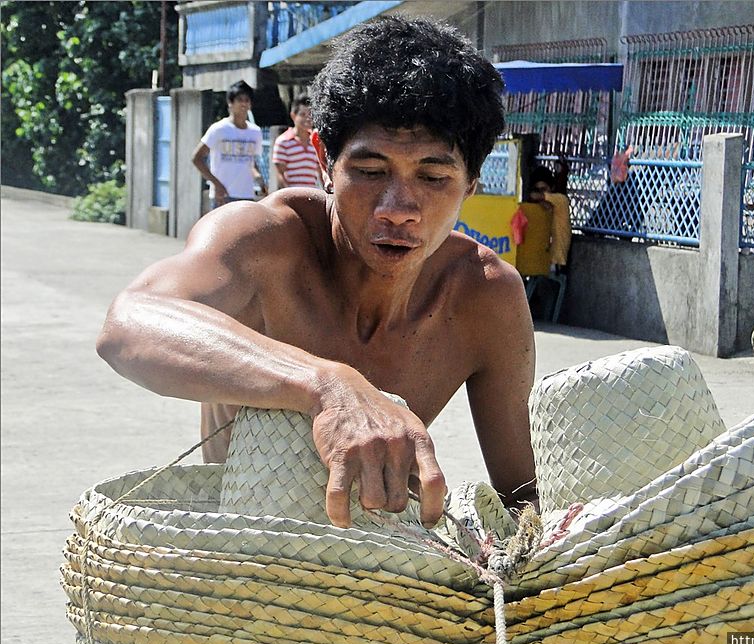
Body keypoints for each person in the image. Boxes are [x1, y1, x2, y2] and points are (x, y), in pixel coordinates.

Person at [97, 16, 538, 530]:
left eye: (434, 177)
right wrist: (326, 384)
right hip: (238, 565)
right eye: (370, 172)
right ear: (325, 161)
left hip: (388, 571)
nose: (399, 208)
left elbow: (524, 500)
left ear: (471, 184)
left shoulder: (484, 295)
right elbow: (127, 323)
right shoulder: (263, 240)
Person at [191, 80, 268, 208]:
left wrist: (260, 181)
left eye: (247, 100)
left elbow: (250, 162)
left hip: (246, 196)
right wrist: (216, 184)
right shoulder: (219, 129)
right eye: (239, 99)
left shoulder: (255, 132)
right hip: (223, 196)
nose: (244, 103)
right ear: (230, 103)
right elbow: (196, 158)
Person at [273, 94, 323, 190]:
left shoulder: (317, 141)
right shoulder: (283, 141)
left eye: (310, 114)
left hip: (311, 196)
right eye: (303, 115)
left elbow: (320, 172)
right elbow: (280, 174)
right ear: (293, 115)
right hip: (292, 195)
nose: (308, 118)